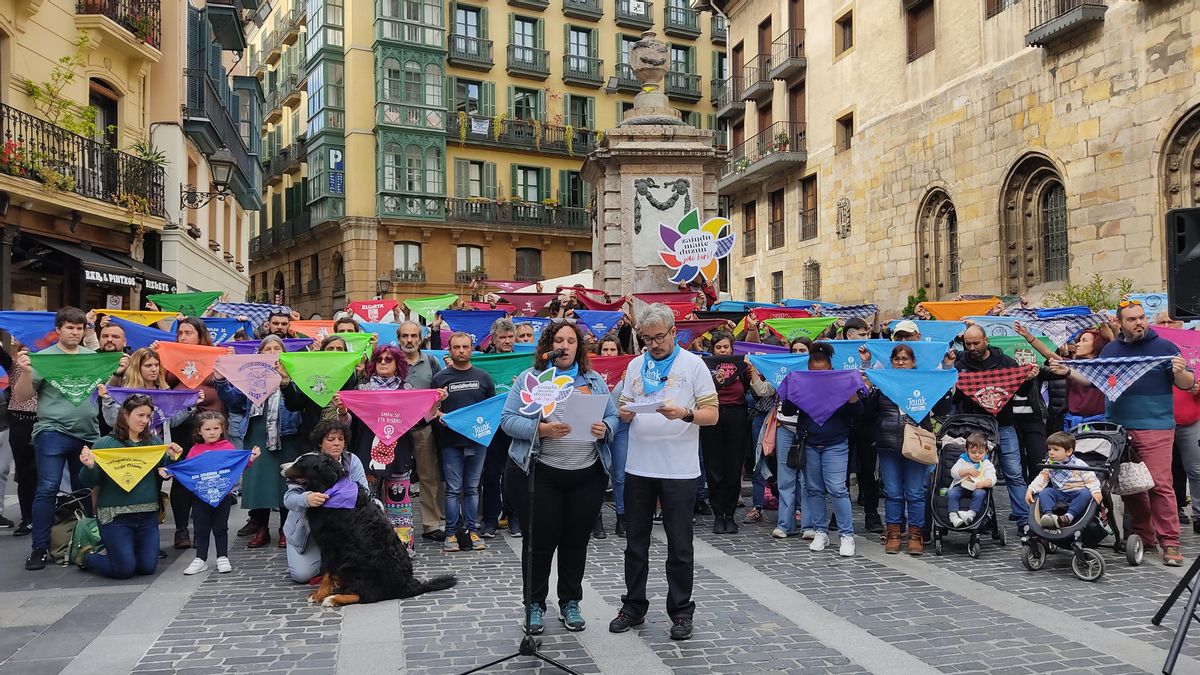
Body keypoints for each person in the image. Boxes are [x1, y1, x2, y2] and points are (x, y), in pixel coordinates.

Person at [501, 320, 618, 633]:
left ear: (579, 346)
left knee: (575, 541)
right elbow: (508, 421)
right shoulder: (531, 379)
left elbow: (613, 415)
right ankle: (535, 605)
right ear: (547, 347)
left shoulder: (593, 380)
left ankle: (570, 601)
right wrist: (540, 429)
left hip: (586, 474)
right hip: (542, 474)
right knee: (539, 542)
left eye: (571, 340)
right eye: (559, 341)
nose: (565, 346)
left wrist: (606, 428)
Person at [610, 304, 717, 642]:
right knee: (634, 543)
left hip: (679, 468)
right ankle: (633, 605)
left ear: (673, 332)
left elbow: (712, 414)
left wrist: (685, 413)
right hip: (639, 465)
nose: (654, 344)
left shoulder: (693, 365)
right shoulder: (635, 364)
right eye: (647, 339)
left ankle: (681, 611)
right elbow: (623, 406)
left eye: (659, 337)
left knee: (680, 545)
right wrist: (624, 414)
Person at [1059, 299, 1194, 565]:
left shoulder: (1164, 347)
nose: (1139, 323)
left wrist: (1180, 372)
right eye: (1132, 319)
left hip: (1156, 427)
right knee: (1132, 486)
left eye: (1142, 317)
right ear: (1120, 323)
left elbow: (1187, 383)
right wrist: (1068, 371)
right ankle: (1144, 536)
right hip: (1119, 429)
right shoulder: (1111, 350)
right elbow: (1093, 381)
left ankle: (1170, 543)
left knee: (1160, 485)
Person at [14, 307, 117, 571]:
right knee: (47, 488)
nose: (75, 332)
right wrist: (26, 372)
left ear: (85, 331)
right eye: (69, 327)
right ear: (58, 330)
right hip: (52, 431)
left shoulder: (91, 357)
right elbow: (22, 397)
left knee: (86, 491)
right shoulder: (44, 358)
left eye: (79, 327)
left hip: (88, 433)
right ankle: (39, 548)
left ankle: (87, 541)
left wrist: (117, 371)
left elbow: (109, 388)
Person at [77, 394, 184, 578]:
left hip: (147, 516)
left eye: (148, 416)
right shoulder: (104, 444)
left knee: (147, 568)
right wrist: (89, 466)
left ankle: (123, 553)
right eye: (140, 415)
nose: (144, 421)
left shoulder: (154, 442)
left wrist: (173, 458)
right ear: (125, 414)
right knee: (124, 570)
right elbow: (88, 481)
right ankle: (87, 557)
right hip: (115, 517)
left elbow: (165, 472)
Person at [217, 335, 301, 549]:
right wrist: (220, 380)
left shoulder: (294, 373)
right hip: (256, 431)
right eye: (268, 348)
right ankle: (262, 528)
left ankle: (285, 529)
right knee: (258, 482)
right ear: (260, 353)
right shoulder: (249, 374)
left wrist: (286, 381)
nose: (272, 351)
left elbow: (297, 403)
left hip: (287, 433)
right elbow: (233, 399)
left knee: (286, 481)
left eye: (277, 348)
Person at [953, 324, 1034, 534]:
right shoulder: (960, 365)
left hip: (1004, 424)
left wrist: (1029, 379)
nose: (972, 347)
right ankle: (979, 515)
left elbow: (1021, 390)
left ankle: (1024, 519)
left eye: (976, 343)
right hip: (974, 427)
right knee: (974, 473)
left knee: (1014, 473)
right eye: (968, 343)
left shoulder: (1006, 362)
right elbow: (955, 398)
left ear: (986, 340)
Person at [785, 342, 863, 557]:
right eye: (814, 366)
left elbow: (858, 413)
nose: (818, 370)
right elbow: (789, 410)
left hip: (836, 442)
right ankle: (820, 531)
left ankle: (846, 535)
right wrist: (793, 389)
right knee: (813, 489)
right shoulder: (802, 380)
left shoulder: (841, 380)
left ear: (830, 366)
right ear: (809, 366)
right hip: (810, 442)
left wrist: (850, 392)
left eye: (822, 366)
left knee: (838, 489)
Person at [873, 343, 947, 554]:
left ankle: (916, 535)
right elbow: (869, 411)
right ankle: (894, 533)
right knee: (893, 492)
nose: (901, 362)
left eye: (905, 359)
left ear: (914, 362)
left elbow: (943, 409)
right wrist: (870, 387)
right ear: (892, 362)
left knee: (915, 492)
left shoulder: (923, 383)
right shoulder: (884, 384)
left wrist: (943, 380)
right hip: (888, 442)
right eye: (897, 359)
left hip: (916, 443)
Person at [172, 411, 260, 575]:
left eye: (215, 428)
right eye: (207, 429)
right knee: (200, 528)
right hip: (200, 498)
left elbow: (236, 465)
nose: (212, 432)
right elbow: (187, 468)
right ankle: (200, 558)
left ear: (222, 429)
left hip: (223, 497)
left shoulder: (227, 447)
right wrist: (171, 471)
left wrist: (250, 459)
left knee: (221, 527)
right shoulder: (195, 449)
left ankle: (222, 556)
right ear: (199, 431)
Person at [164, 317, 225, 550]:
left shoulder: (213, 354)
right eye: (180, 333)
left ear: (200, 335)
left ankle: (203, 529)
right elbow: (164, 382)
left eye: (188, 332)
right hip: (182, 422)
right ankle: (181, 530)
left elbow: (224, 384)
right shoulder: (173, 354)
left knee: (207, 477)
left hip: (209, 423)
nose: (183, 337)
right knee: (182, 475)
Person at [282, 419, 368, 583]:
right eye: (330, 439)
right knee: (301, 575)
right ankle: (323, 561)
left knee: (376, 506)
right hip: (308, 530)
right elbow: (289, 499)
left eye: (341, 439)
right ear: (320, 443)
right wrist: (306, 498)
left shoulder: (352, 461)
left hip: (342, 527)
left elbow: (365, 492)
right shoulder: (305, 461)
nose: (337, 444)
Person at [432, 332, 496, 552]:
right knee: (452, 489)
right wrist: (439, 411)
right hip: (450, 442)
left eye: (465, 347)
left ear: (472, 349)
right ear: (449, 350)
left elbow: (491, 410)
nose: (461, 351)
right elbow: (430, 411)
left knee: (471, 488)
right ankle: (451, 534)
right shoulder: (440, 378)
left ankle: (472, 530)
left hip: (477, 441)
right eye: (456, 347)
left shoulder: (484, 377)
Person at [396, 321, 449, 542]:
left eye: (414, 336)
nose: (409, 340)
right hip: (396, 428)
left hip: (423, 427)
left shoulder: (431, 361)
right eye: (405, 336)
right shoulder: (391, 360)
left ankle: (431, 524)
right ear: (399, 338)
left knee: (429, 477)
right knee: (394, 476)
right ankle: (394, 522)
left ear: (420, 339)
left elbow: (440, 388)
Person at [699, 330, 750, 534]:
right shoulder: (705, 367)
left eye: (726, 347)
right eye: (718, 347)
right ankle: (718, 514)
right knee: (714, 467)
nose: (722, 350)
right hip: (713, 416)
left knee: (734, 466)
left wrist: (754, 369)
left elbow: (752, 389)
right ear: (713, 350)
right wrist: (716, 381)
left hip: (736, 416)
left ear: (732, 348)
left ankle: (730, 514)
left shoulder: (742, 366)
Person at [481, 318, 516, 538]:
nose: (506, 341)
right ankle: (491, 519)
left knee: (515, 474)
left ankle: (515, 517)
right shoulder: (484, 363)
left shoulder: (523, 361)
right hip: (492, 424)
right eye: (501, 337)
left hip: (516, 423)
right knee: (492, 474)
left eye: (509, 336)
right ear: (493, 339)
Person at [1025, 431, 1102, 529]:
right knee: (1046, 492)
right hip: (1060, 493)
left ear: (1068, 451)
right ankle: (1048, 516)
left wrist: (1096, 491)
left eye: (1056, 449)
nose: (1051, 452)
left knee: (1086, 494)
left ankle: (1067, 517)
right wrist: (1031, 489)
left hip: (1077, 493)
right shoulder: (1051, 464)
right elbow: (1041, 478)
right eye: (1049, 449)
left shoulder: (1079, 464)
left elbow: (1091, 479)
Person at [946, 433, 997, 528]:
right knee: (952, 493)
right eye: (973, 452)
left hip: (977, 487)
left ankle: (970, 515)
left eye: (980, 453)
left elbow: (992, 478)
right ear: (967, 451)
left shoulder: (986, 463)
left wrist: (984, 483)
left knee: (980, 494)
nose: (977, 455)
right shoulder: (963, 460)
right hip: (961, 485)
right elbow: (953, 472)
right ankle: (953, 516)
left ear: (986, 451)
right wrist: (967, 471)